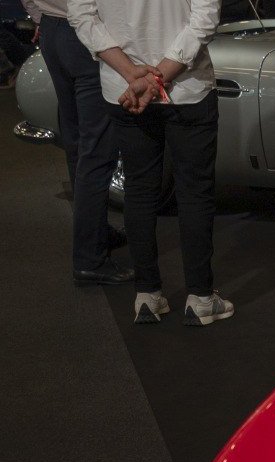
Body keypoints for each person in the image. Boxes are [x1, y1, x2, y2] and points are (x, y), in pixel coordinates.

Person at [69, 0, 233, 325]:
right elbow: (205, 17)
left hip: (124, 87)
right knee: (194, 192)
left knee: (139, 189)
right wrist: (159, 76)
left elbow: (81, 14)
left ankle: (147, 294)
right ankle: (200, 297)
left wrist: (133, 74)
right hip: (186, 88)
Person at [23, 0, 130, 284]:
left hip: (52, 30)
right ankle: (90, 258)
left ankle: (95, 233)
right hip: (84, 33)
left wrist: (39, 18)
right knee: (96, 149)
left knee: (78, 143)